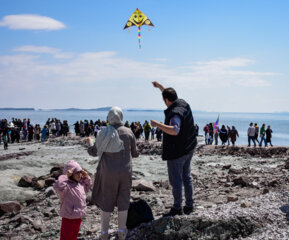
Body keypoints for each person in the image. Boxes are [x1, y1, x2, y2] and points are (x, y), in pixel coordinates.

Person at [87, 107, 139, 240]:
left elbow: (94, 152)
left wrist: (90, 143)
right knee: (124, 199)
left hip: (108, 172)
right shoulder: (128, 131)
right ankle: (122, 231)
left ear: (109, 118)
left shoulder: (104, 132)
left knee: (107, 199)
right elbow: (135, 153)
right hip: (125, 171)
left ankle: (104, 233)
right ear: (121, 116)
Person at [150, 81, 197, 217]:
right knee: (186, 177)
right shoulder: (182, 103)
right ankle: (189, 206)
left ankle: (177, 208)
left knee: (176, 180)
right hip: (189, 147)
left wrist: (157, 124)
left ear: (166, 101)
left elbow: (175, 130)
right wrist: (160, 87)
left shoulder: (175, 112)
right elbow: (169, 95)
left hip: (178, 151)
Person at [53, 160, 92, 240]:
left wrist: (86, 176)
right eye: (77, 173)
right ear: (71, 174)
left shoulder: (80, 185)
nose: (79, 175)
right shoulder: (66, 186)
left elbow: (88, 185)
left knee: (74, 236)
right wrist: (65, 175)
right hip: (68, 217)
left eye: (80, 172)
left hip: (78, 216)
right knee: (65, 237)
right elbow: (57, 186)